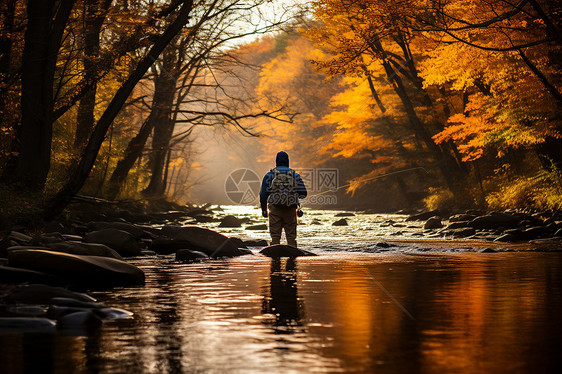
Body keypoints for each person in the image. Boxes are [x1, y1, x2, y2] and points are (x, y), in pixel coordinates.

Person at [259, 151, 307, 247]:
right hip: (290, 209)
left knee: (275, 238)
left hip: (275, 209)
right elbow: (303, 194)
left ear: (276, 161)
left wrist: (264, 210)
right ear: (287, 161)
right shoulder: (295, 175)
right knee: (291, 238)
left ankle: (275, 260)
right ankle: (292, 260)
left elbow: (263, 194)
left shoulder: (270, 175)